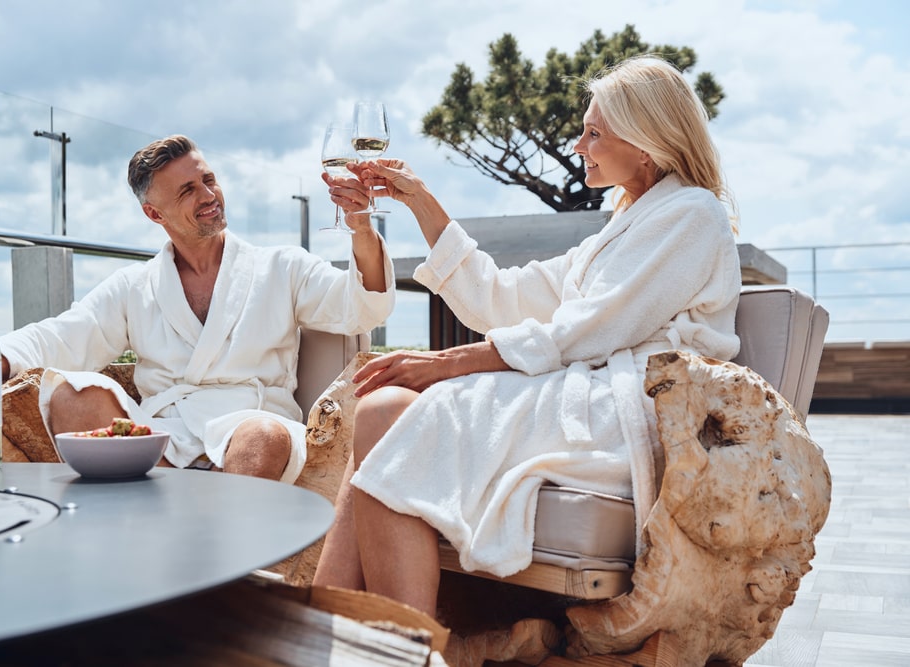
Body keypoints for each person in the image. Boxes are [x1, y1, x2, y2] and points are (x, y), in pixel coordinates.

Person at [312, 55, 742, 617]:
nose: (579, 144)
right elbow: (504, 298)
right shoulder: (617, 232)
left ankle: (395, 644)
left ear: (645, 143)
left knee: (385, 414)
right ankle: (317, 623)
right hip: (578, 396)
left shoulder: (692, 215)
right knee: (382, 408)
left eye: (594, 132)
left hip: (618, 414)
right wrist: (418, 199)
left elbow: (587, 330)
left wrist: (446, 363)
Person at [0, 134, 395, 482]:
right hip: (162, 439)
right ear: (155, 214)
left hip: (251, 428)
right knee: (75, 395)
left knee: (262, 435)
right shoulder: (136, 286)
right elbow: (68, 334)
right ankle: (144, 533)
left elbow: (362, 307)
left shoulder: (280, 267)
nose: (209, 196)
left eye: (208, 180)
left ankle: (223, 572)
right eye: (188, 191)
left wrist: (360, 228)